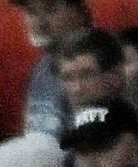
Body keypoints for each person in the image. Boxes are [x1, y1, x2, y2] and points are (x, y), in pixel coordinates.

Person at [14, 0, 94, 134]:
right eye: (31, 12)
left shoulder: (98, 66)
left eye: (50, 10)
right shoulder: (42, 67)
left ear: (80, 13)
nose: (40, 24)